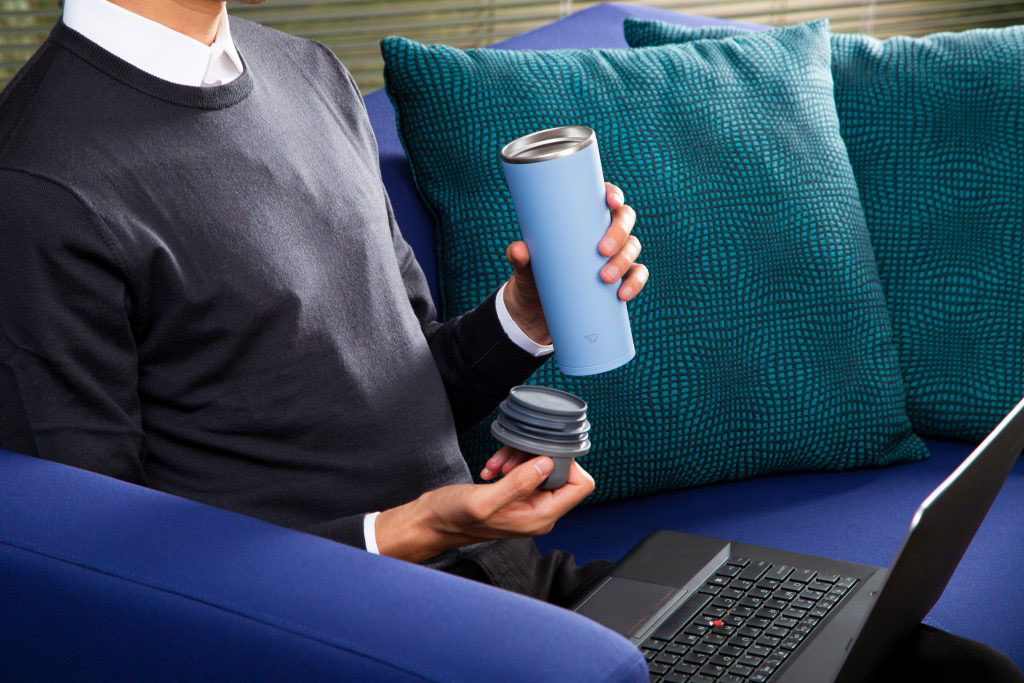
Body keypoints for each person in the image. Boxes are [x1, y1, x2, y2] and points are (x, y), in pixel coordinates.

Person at [0, 1, 1019, 680]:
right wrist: (401, 534)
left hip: (512, 581)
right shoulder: (39, 182)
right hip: (346, 633)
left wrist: (521, 320)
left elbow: (408, 384)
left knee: (943, 666)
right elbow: (82, 576)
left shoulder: (300, 71)